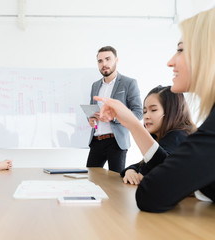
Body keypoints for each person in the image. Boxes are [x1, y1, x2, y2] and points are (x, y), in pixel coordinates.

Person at [94, 7, 215, 212]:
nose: (170, 62)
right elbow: (147, 167)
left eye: (181, 50)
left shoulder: (187, 134)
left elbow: (151, 193)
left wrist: (131, 123)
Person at [120, 86, 196, 185]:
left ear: (171, 111)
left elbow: (158, 168)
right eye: (145, 111)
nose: (146, 116)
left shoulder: (178, 135)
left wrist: (133, 125)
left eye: (154, 110)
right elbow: (143, 165)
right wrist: (130, 171)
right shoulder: (166, 139)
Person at [87, 46, 142, 173]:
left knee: (116, 183)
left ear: (116, 60)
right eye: (100, 61)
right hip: (96, 140)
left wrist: (114, 117)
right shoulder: (95, 85)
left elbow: (138, 113)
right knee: (90, 179)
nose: (104, 64)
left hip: (116, 142)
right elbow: (92, 111)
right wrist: (92, 120)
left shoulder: (129, 83)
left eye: (107, 59)